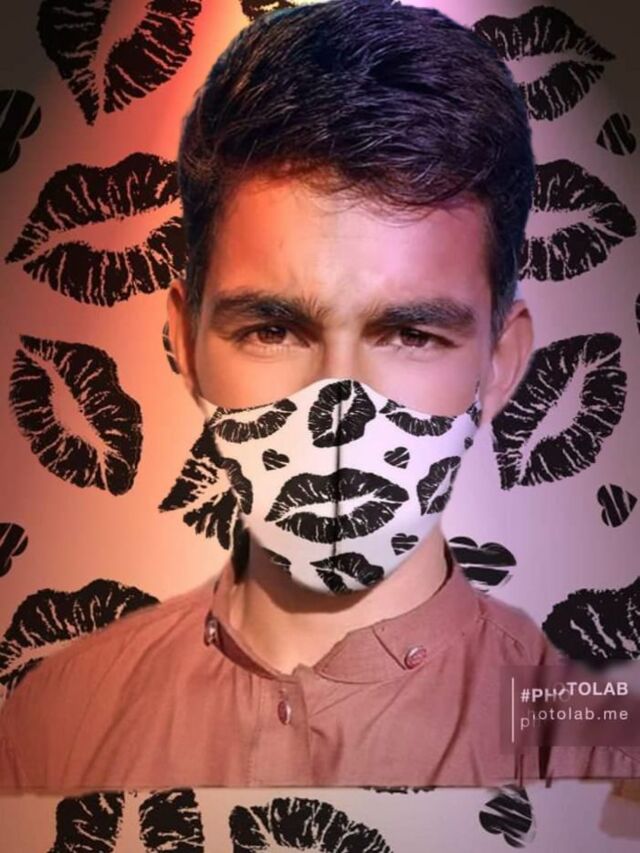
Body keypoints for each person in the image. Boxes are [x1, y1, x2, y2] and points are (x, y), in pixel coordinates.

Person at [0, 0, 638, 793]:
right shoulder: (53, 729)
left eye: (409, 334)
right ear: (184, 343)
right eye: (272, 329)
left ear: (500, 363)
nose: (340, 408)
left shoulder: (602, 764)